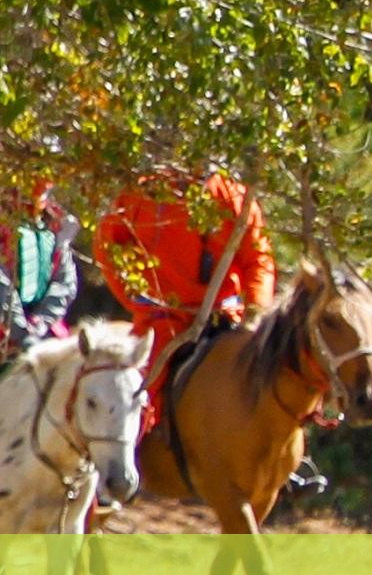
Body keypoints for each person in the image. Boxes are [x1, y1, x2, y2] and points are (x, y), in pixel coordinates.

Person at [93, 168, 274, 412]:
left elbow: (259, 259)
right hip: (162, 320)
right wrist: (135, 297)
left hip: (224, 318)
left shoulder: (234, 196)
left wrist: (255, 312)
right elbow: (107, 245)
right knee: (138, 398)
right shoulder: (141, 191)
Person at [9, 190, 78, 354]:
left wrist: (39, 324)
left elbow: (65, 283)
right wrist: (19, 331)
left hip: (42, 330)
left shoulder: (55, 227)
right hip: (8, 328)